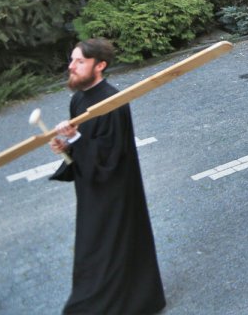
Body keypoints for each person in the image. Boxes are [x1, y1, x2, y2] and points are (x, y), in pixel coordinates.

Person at [49, 38, 166, 315]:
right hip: (91, 190)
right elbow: (85, 146)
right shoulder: (78, 99)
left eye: (80, 61)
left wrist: (75, 137)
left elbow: (110, 155)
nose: (72, 66)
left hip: (116, 191)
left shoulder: (113, 102)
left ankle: (129, 302)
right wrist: (66, 146)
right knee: (92, 249)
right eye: (72, 60)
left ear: (99, 65)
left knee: (112, 246)